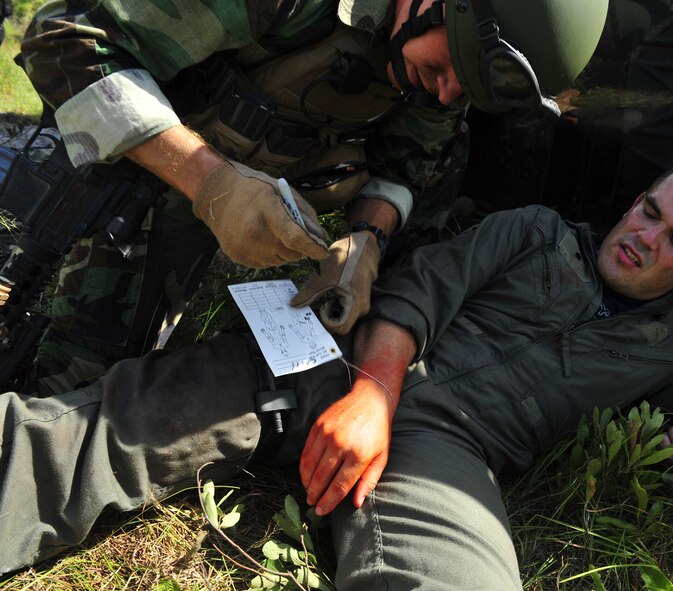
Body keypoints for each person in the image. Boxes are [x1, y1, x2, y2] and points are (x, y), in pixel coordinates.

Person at [0, 159, 673, 587]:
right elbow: (422, 291)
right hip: (339, 360)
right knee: (116, 425)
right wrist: (373, 395)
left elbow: (627, 438)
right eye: (648, 211)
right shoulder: (537, 231)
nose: (644, 236)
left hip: (452, 455)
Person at [15, 0, 606, 394]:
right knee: (82, 378)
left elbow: (415, 152)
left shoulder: (440, 61)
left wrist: (367, 242)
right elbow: (63, 36)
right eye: (453, 64)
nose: (448, 91)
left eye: (471, 88)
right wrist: (209, 183)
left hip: (272, 165)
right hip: (159, 165)